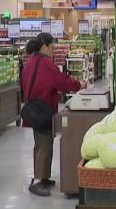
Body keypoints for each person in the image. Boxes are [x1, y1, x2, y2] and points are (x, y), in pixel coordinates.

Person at [22, 33, 85, 197]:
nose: (53, 51)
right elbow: (62, 81)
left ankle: (43, 176)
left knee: (42, 142)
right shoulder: (45, 63)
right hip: (42, 110)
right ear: (44, 47)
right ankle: (36, 181)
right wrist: (79, 84)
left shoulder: (31, 62)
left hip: (33, 108)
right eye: (52, 48)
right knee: (44, 144)